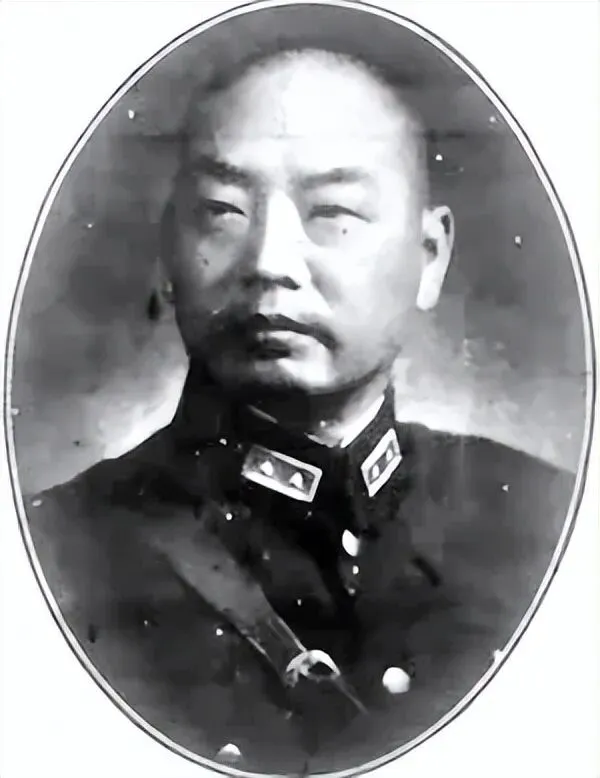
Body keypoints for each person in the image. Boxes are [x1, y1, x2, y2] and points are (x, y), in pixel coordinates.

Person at [27, 47, 573, 774]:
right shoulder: (53, 551)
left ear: (430, 256)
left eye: (334, 213)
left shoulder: (550, 526)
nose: (269, 261)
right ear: (170, 250)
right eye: (223, 212)